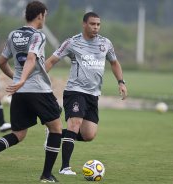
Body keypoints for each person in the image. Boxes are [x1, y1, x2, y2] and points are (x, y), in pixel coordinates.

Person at [0, 1, 62, 182]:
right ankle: (46, 175)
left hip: (20, 93)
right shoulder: (38, 36)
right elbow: (31, 58)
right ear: (40, 15)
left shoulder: (14, 34)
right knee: (56, 129)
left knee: (18, 134)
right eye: (45, 15)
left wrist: (17, 80)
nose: (45, 18)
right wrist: (22, 80)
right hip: (38, 90)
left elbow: (1, 62)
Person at [45, 12, 128, 175]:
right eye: (92, 24)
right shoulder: (72, 42)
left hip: (93, 94)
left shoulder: (105, 43)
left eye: (98, 24)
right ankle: (65, 167)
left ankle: (55, 133)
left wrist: (121, 82)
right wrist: (39, 80)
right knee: (74, 124)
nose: (95, 27)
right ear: (84, 24)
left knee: (89, 134)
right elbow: (51, 60)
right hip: (75, 91)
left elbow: (114, 62)